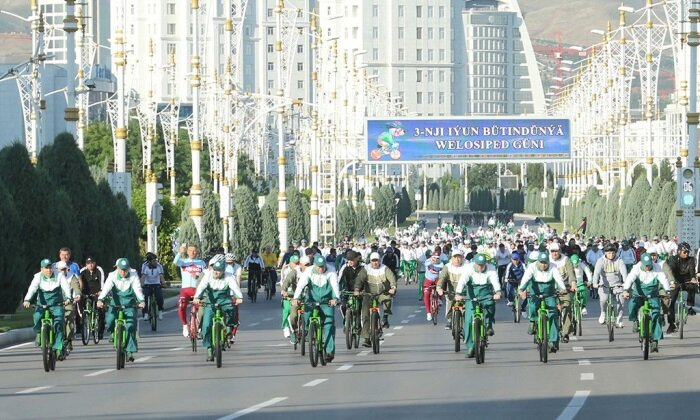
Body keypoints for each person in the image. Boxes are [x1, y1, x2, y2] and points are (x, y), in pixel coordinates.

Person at [292, 255, 340, 363]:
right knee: (306, 314)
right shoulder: (309, 271)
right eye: (318, 267)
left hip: (326, 301)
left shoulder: (331, 271)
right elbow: (300, 285)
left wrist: (335, 298)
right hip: (311, 300)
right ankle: (309, 331)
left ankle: (329, 351)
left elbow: (335, 285)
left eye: (322, 266)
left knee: (329, 324)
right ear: (314, 265)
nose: (320, 269)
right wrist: (296, 298)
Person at [23, 259, 74, 359]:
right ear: (41, 269)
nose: (49, 270)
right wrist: (27, 300)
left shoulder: (59, 275)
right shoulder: (37, 277)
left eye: (50, 267)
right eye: (46, 268)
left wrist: (68, 298)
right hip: (42, 304)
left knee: (59, 323)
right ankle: (39, 333)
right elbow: (32, 288)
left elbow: (66, 287)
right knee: (37, 317)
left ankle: (58, 347)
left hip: (56, 304)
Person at [193, 260, 243, 361]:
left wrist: (239, 297)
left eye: (219, 271)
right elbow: (202, 286)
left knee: (231, 309)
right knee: (206, 325)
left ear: (223, 271)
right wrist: (197, 297)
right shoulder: (208, 275)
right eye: (215, 270)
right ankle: (209, 349)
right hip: (210, 302)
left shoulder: (229, 276)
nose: (216, 272)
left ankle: (229, 329)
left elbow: (234, 287)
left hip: (224, 299)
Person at [518, 252, 568, 353]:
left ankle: (553, 341)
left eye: (545, 263)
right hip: (535, 293)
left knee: (553, 314)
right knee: (532, 306)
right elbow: (526, 278)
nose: (543, 265)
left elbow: (558, 278)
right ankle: (533, 321)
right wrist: (521, 289)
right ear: (538, 262)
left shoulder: (553, 267)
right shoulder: (532, 267)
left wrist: (562, 288)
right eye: (541, 262)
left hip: (549, 294)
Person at [97, 258, 145, 362]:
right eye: (121, 269)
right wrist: (100, 299)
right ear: (117, 268)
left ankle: (129, 351)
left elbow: (137, 289)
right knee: (109, 321)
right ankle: (113, 333)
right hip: (115, 304)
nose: (123, 272)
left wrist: (141, 300)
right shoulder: (112, 275)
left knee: (130, 326)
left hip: (129, 305)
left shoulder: (133, 275)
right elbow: (106, 288)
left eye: (125, 270)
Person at [454, 254, 501, 358]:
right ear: (474, 263)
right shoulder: (468, 269)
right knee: (468, 321)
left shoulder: (491, 269)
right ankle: (470, 346)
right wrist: (458, 293)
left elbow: (495, 282)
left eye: (482, 265)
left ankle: (489, 325)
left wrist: (497, 292)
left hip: (486, 294)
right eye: (478, 265)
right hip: (472, 296)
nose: (480, 267)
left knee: (490, 306)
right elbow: (462, 281)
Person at [623, 253, 671, 352]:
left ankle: (655, 341)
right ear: (642, 263)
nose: (647, 267)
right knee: (632, 305)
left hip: (653, 295)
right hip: (639, 294)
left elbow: (663, 279)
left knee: (656, 314)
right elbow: (630, 278)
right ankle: (635, 321)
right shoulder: (636, 268)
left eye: (649, 264)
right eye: (646, 265)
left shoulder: (657, 267)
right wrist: (626, 290)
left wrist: (668, 291)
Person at [354, 251, 397, 347]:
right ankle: (366, 338)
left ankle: (385, 317)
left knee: (388, 300)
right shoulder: (366, 269)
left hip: (382, 293)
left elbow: (392, 278)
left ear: (379, 261)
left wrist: (393, 287)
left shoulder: (384, 268)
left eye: (376, 260)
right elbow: (359, 280)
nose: (375, 263)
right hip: (369, 294)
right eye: (373, 261)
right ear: (370, 261)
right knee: (365, 315)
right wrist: (357, 289)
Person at [174, 243, 207, 337]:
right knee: (181, 304)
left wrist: (197, 276)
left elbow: (205, 275)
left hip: (197, 289)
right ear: (187, 252)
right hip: (185, 290)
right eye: (190, 250)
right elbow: (175, 262)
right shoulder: (184, 262)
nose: (193, 252)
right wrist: (180, 252)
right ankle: (184, 325)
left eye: (195, 250)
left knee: (201, 308)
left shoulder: (201, 263)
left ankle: (199, 327)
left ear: (197, 252)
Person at [592, 243, 628, 327]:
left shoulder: (619, 261)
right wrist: (595, 283)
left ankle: (619, 318)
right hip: (603, 285)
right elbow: (596, 273)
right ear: (605, 253)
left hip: (617, 285)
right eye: (608, 253)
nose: (611, 255)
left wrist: (625, 284)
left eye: (612, 253)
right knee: (603, 299)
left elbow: (624, 274)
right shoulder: (601, 261)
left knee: (621, 301)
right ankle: (603, 312)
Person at [666, 242, 698, 333]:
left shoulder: (691, 259)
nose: (686, 254)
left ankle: (690, 306)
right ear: (679, 251)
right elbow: (671, 270)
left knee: (692, 286)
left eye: (688, 252)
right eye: (684, 252)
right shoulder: (673, 259)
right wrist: (672, 282)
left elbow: (692, 270)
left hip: (687, 281)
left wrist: (693, 278)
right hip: (675, 281)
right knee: (671, 303)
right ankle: (671, 324)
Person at [548, 242, 576, 342]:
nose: (555, 253)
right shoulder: (546, 261)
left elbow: (571, 273)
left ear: (560, 251)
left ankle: (565, 332)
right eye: (552, 251)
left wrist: (573, 284)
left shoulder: (565, 260)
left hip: (565, 288)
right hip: (551, 289)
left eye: (556, 251)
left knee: (567, 307)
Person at [437, 249, 469, 329]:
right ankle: (450, 320)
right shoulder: (447, 267)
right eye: (455, 257)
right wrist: (439, 288)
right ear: (452, 258)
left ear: (462, 258)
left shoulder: (468, 266)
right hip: (451, 291)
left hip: (465, 291)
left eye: (459, 257)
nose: (457, 260)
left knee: (467, 308)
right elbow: (442, 278)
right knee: (450, 303)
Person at [55, 261, 81, 351]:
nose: (63, 271)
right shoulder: (54, 276)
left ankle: (69, 339)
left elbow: (76, 286)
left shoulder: (71, 276)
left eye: (64, 269)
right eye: (61, 269)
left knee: (69, 317)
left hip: (68, 301)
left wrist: (77, 294)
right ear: (57, 270)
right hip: (56, 302)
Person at [79, 256, 105, 339]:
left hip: (97, 293)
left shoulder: (99, 270)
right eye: (88, 263)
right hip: (85, 293)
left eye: (92, 263)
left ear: (95, 263)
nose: (90, 265)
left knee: (100, 310)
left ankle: (100, 331)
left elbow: (102, 281)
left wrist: (101, 291)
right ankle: (82, 325)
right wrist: (79, 292)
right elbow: (79, 282)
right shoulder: (82, 271)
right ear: (86, 264)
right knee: (82, 309)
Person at [140, 253, 165, 321]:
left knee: (160, 297)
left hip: (156, 284)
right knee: (145, 297)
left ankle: (160, 312)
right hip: (147, 285)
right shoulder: (144, 266)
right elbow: (143, 277)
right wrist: (142, 285)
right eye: (154, 260)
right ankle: (146, 313)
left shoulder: (159, 266)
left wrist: (163, 284)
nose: (155, 262)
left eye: (156, 260)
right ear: (149, 261)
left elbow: (161, 276)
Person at [422, 251, 444, 321]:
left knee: (441, 286)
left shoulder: (440, 262)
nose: (436, 259)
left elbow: (442, 266)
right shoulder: (428, 261)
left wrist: (436, 264)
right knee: (426, 295)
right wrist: (431, 262)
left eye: (437, 258)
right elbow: (426, 264)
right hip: (428, 280)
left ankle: (440, 299)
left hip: (437, 279)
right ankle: (428, 313)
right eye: (434, 258)